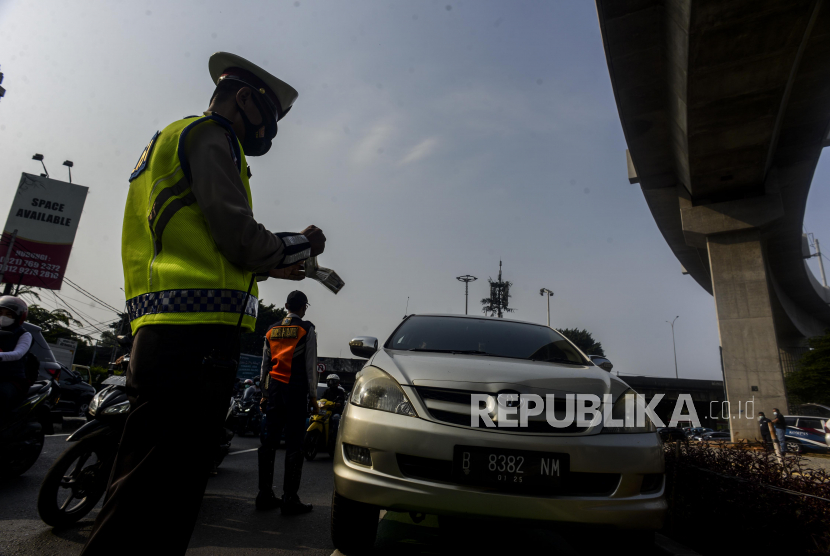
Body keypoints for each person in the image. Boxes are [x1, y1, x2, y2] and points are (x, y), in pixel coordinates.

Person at [81, 52, 327, 556]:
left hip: (159, 333)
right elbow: (238, 236)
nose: (269, 134)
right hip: (197, 345)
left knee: (138, 490)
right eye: (270, 118)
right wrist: (302, 244)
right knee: (166, 502)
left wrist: (268, 265)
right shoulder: (214, 136)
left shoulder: (165, 141)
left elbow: (202, 244)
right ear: (244, 99)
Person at [257, 290, 318, 513]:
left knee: (268, 443)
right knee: (294, 444)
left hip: (273, 390)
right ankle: (289, 499)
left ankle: (264, 495)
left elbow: (265, 366)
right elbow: (310, 366)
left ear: (285, 306)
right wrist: (313, 396)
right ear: (303, 308)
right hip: (295, 390)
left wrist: (264, 394)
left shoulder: (271, 330)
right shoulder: (306, 329)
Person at [0, 296, 32, 418]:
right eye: (1, 313)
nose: (3, 317)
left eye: (9, 314)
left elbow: (18, 354)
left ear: (19, 317)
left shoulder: (24, 334)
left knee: (2, 394)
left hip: (11, 379)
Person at [320, 373, 347, 440]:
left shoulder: (340, 391)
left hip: (335, 412)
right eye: (329, 381)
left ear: (336, 382)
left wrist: (338, 403)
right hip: (325, 412)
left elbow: (341, 400)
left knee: (336, 418)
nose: (330, 383)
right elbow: (321, 399)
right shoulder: (326, 391)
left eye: (332, 381)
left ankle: (335, 439)